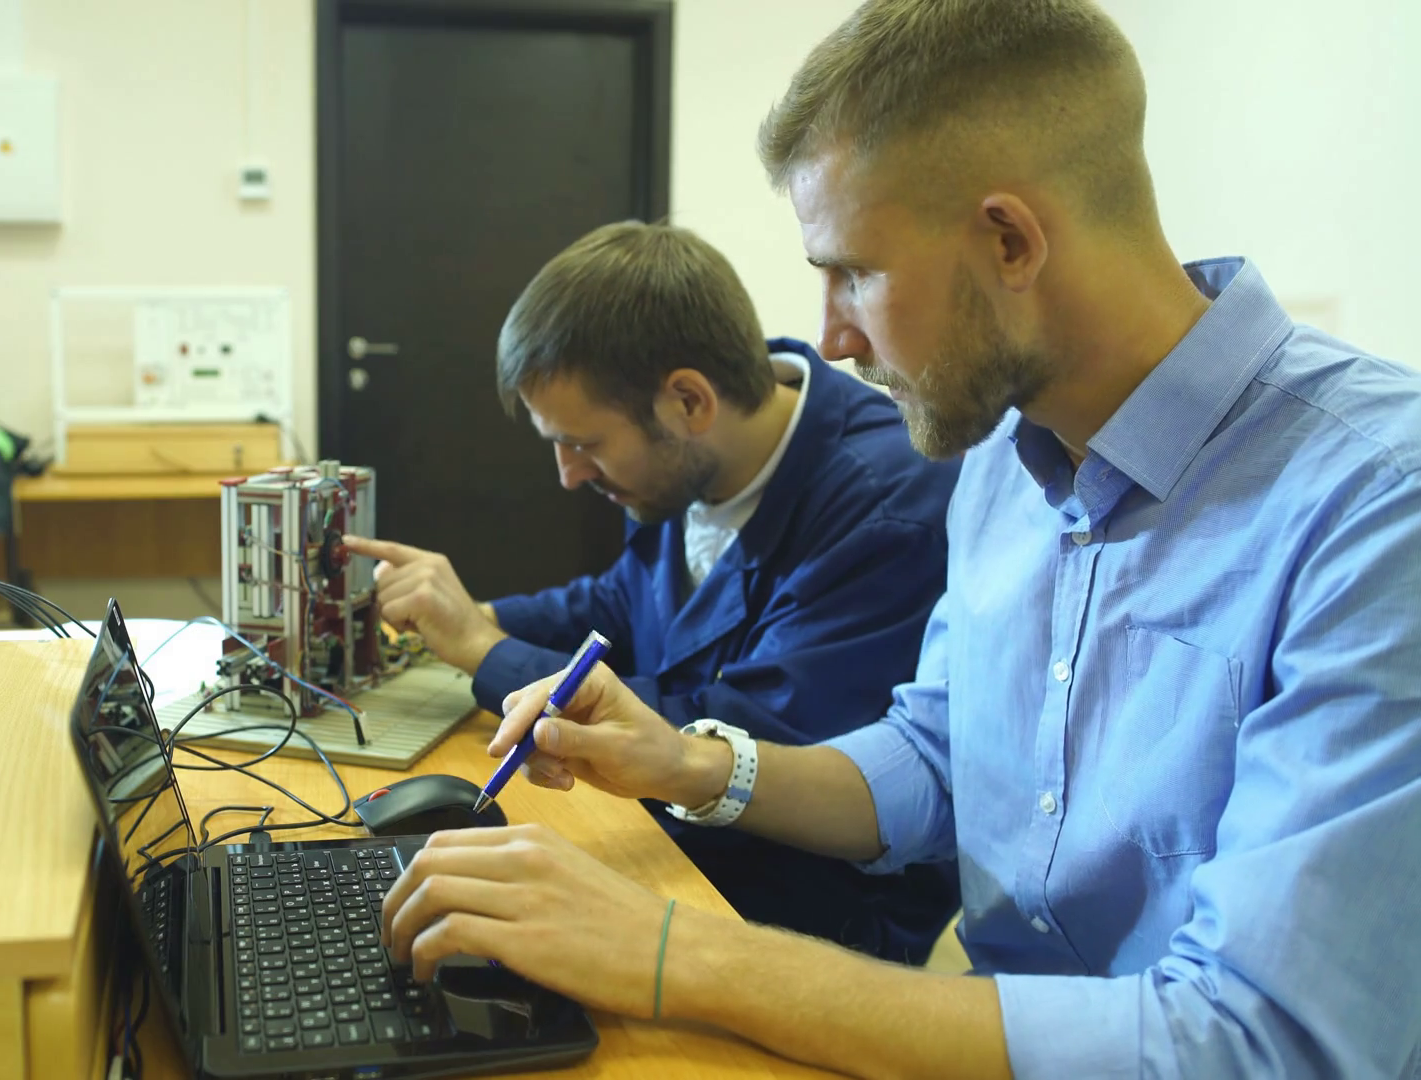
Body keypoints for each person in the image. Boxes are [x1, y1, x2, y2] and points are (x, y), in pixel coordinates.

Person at [375, 0, 1421, 1076]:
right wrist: (686, 763)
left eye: (854, 273)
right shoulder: (1002, 467)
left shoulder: (1379, 507)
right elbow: (935, 759)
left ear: (1009, 240)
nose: (830, 336)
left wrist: (675, 955)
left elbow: (1260, 1046)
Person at [343, 220, 961, 962]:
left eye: (585, 444)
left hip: (801, 918)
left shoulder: (883, 510)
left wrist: (483, 651)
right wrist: (470, 617)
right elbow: (616, 606)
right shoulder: (694, 464)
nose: (569, 475)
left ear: (689, 402)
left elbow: (733, 732)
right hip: (685, 850)